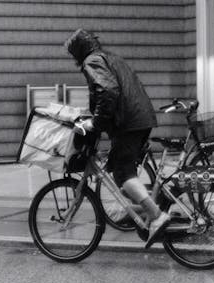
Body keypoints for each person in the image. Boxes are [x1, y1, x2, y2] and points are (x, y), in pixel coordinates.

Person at [64, 29, 171, 248]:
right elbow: (108, 92)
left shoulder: (92, 61)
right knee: (122, 174)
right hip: (140, 118)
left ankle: (157, 215)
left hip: (129, 123)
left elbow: (108, 90)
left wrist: (96, 123)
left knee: (123, 175)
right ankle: (146, 210)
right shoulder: (109, 57)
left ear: (78, 51)